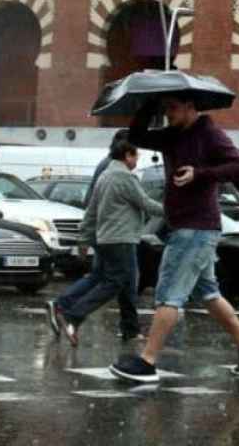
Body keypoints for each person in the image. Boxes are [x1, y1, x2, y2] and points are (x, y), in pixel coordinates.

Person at [109, 94, 239, 383]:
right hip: (186, 225)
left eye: (172, 107)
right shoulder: (172, 135)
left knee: (169, 293)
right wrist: (149, 105)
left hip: (196, 227)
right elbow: (137, 136)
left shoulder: (210, 134)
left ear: (191, 107)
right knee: (209, 293)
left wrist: (200, 173)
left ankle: (147, 361)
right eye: (165, 107)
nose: (168, 113)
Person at [47, 140, 164, 345]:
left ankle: (130, 329)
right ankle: (73, 314)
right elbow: (146, 203)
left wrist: (84, 237)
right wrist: (175, 212)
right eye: (136, 156)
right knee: (114, 282)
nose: (137, 160)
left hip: (105, 238)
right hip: (122, 238)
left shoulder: (105, 176)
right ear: (127, 155)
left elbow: (91, 210)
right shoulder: (124, 177)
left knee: (121, 282)